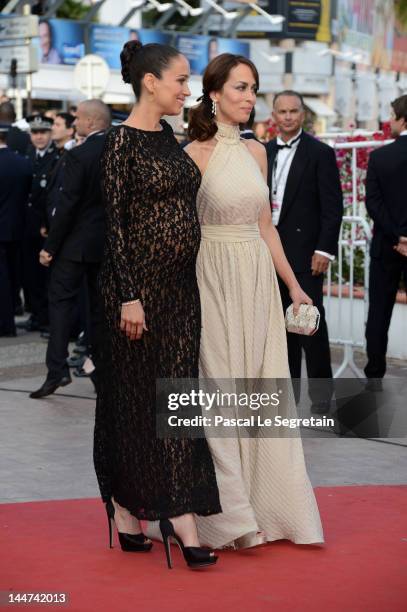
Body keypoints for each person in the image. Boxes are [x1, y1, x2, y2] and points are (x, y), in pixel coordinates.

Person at [181, 54, 324, 550]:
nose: (248, 97)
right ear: (214, 92)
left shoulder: (258, 152)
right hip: (212, 277)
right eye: (239, 87)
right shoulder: (192, 152)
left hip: (257, 280)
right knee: (219, 392)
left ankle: (267, 505)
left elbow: (267, 228)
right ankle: (230, 518)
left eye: (253, 88)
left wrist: (294, 285)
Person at [93, 41, 221, 570]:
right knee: (131, 402)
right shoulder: (119, 143)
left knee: (177, 400)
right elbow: (115, 229)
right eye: (181, 80)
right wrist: (130, 296)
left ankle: (166, 514)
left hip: (180, 295)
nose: (188, 90)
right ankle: (137, 514)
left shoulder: (170, 137)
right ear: (151, 82)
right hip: (134, 298)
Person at [266, 91, 343, 414]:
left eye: (293, 111)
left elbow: (332, 207)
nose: (287, 117)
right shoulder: (262, 151)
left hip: (305, 254)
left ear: (303, 114)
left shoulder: (320, 153)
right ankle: (287, 398)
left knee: (310, 326)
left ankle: (321, 399)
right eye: (282, 111)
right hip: (268, 252)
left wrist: (324, 249)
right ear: (273, 114)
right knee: (278, 330)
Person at [29, 100, 111, 399]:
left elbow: (67, 205)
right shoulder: (120, 150)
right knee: (98, 311)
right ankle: (98, 369)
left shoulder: (79, 154)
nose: (74, 123)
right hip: (106, 246)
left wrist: (50, 247)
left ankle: (57, 370)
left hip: (74, 245)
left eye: (77, 119)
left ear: (90, 122)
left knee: (60, 303)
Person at [364, 95, 407, 380]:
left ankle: (375, 371)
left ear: (403, 119)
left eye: (392, 115)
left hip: (385, 245)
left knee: (379, 312)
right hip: (396, 242)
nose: (389, 121)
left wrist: (398, 234)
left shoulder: (379, 157)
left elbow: (373, 204)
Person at [18, 115, 59, 333]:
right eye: (35, 133)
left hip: (45, 227)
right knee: (29, 274)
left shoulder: (56, 158)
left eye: (43, 132)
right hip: (27, 225)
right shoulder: (27, 155)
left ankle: (45, 317)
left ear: (50, 134)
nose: (39, 137)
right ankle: (35, 313)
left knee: (45, 275)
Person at [0, 123, 32, 336]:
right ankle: (11, 316)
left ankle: (4, 323)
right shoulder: (23, 163)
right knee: (13, 275)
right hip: (17, 228)